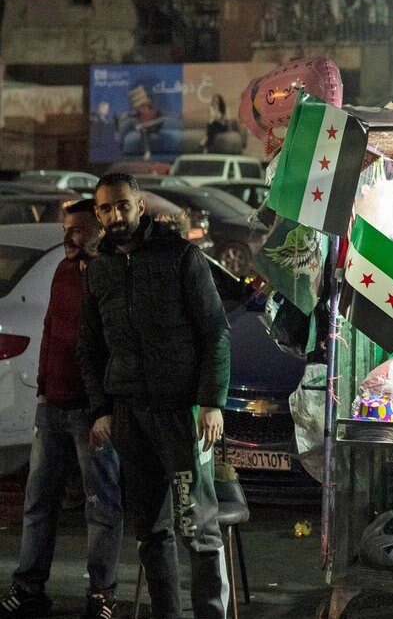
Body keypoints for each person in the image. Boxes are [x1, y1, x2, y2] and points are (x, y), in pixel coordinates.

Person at [79, 173, 232, 619]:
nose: (115, 215)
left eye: (122, 205)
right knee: (150, 532)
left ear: (140, 205)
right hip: (129, 418)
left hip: (181, 416)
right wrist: (101, 411)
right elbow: (89, 348)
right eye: (105, 209)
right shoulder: (100, 269)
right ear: (99, 213)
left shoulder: (180, 256)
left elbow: (215, 332)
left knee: (197, 530)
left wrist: (211, 402)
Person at [0, 199, 123, 619]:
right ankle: (29, 588)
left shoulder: (110, 273)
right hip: (52, 405)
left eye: (79, 229)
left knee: (101, 503)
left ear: (99, 229)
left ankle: (102, 594)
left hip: (92, 410)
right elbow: (51, 328)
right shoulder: (63, 271)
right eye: (65, 229)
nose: (69, 237)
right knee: (39, 500)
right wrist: (41, 392)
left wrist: (105, 407)